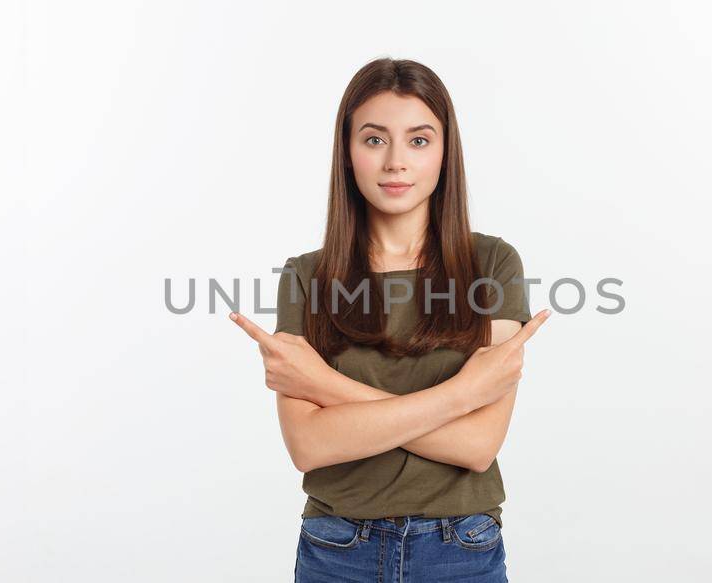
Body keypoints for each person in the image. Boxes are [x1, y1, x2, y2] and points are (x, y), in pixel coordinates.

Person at [230, 57, 549, 582]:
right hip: (337, 549)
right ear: (347, 152)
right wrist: (460, 395)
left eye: (419, 140)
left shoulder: (492, 265)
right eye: (375, 139)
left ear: (446, 154)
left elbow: (477, 446)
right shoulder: (307, 276)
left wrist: (324, 385)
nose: (396, 161)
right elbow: (309, 446)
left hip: (460, 549)